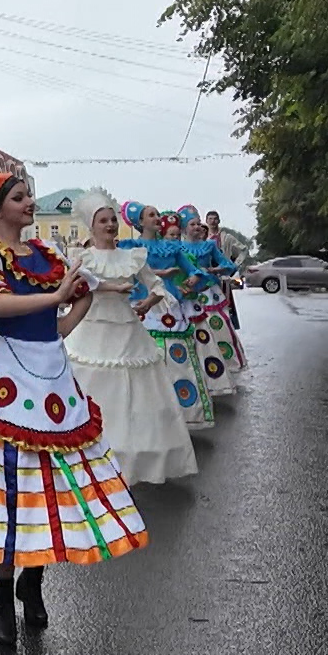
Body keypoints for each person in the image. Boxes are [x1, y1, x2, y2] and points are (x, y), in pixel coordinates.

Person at [0, 164, 147, 648]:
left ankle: (35, 581)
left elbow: (60, 327)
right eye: (20, 198)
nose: (29, 204)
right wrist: (55, 294)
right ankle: (2, 596)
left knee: (47, 488)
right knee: (8, 489)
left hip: (51, 382)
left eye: (30, 196)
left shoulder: (47, 253)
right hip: (5, 385)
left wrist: (80, 298)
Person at [65, 201, 198, 484]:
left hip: (127, 329)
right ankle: (88, 453)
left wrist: (147, 303)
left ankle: (134, 457)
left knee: (133, 392)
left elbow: (157, 286)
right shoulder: (83, 257)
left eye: (113, 220)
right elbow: (74, 286)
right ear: (92, 225)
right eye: (103, 221)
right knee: (91, 386)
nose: (110, 225)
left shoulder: (133, 256)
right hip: (90, 329)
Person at [121, 202, 213, 430]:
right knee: (145, 358)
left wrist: (193, 277)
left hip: (170, 305)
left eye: (157, 214)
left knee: (177, 358)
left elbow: (192, 268)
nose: (157, 218)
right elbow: (127, 275)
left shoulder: (171, 248)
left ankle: (184, 411)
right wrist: (160, 274)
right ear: (140, 222)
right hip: (143, 304)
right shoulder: (131, 247)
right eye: (151, 215)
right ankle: (148, 417)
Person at [179, 214, 247, 395]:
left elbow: (228, 265)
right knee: (195, 334)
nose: (196, 227)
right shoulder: (178, 247)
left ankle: (224, 367)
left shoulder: (209, 246)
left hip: (210, 293)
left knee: (220, 329)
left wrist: (212, 270)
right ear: (184, 228)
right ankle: (198, 371)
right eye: (192, 224)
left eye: (197, 224)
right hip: (190, 295)